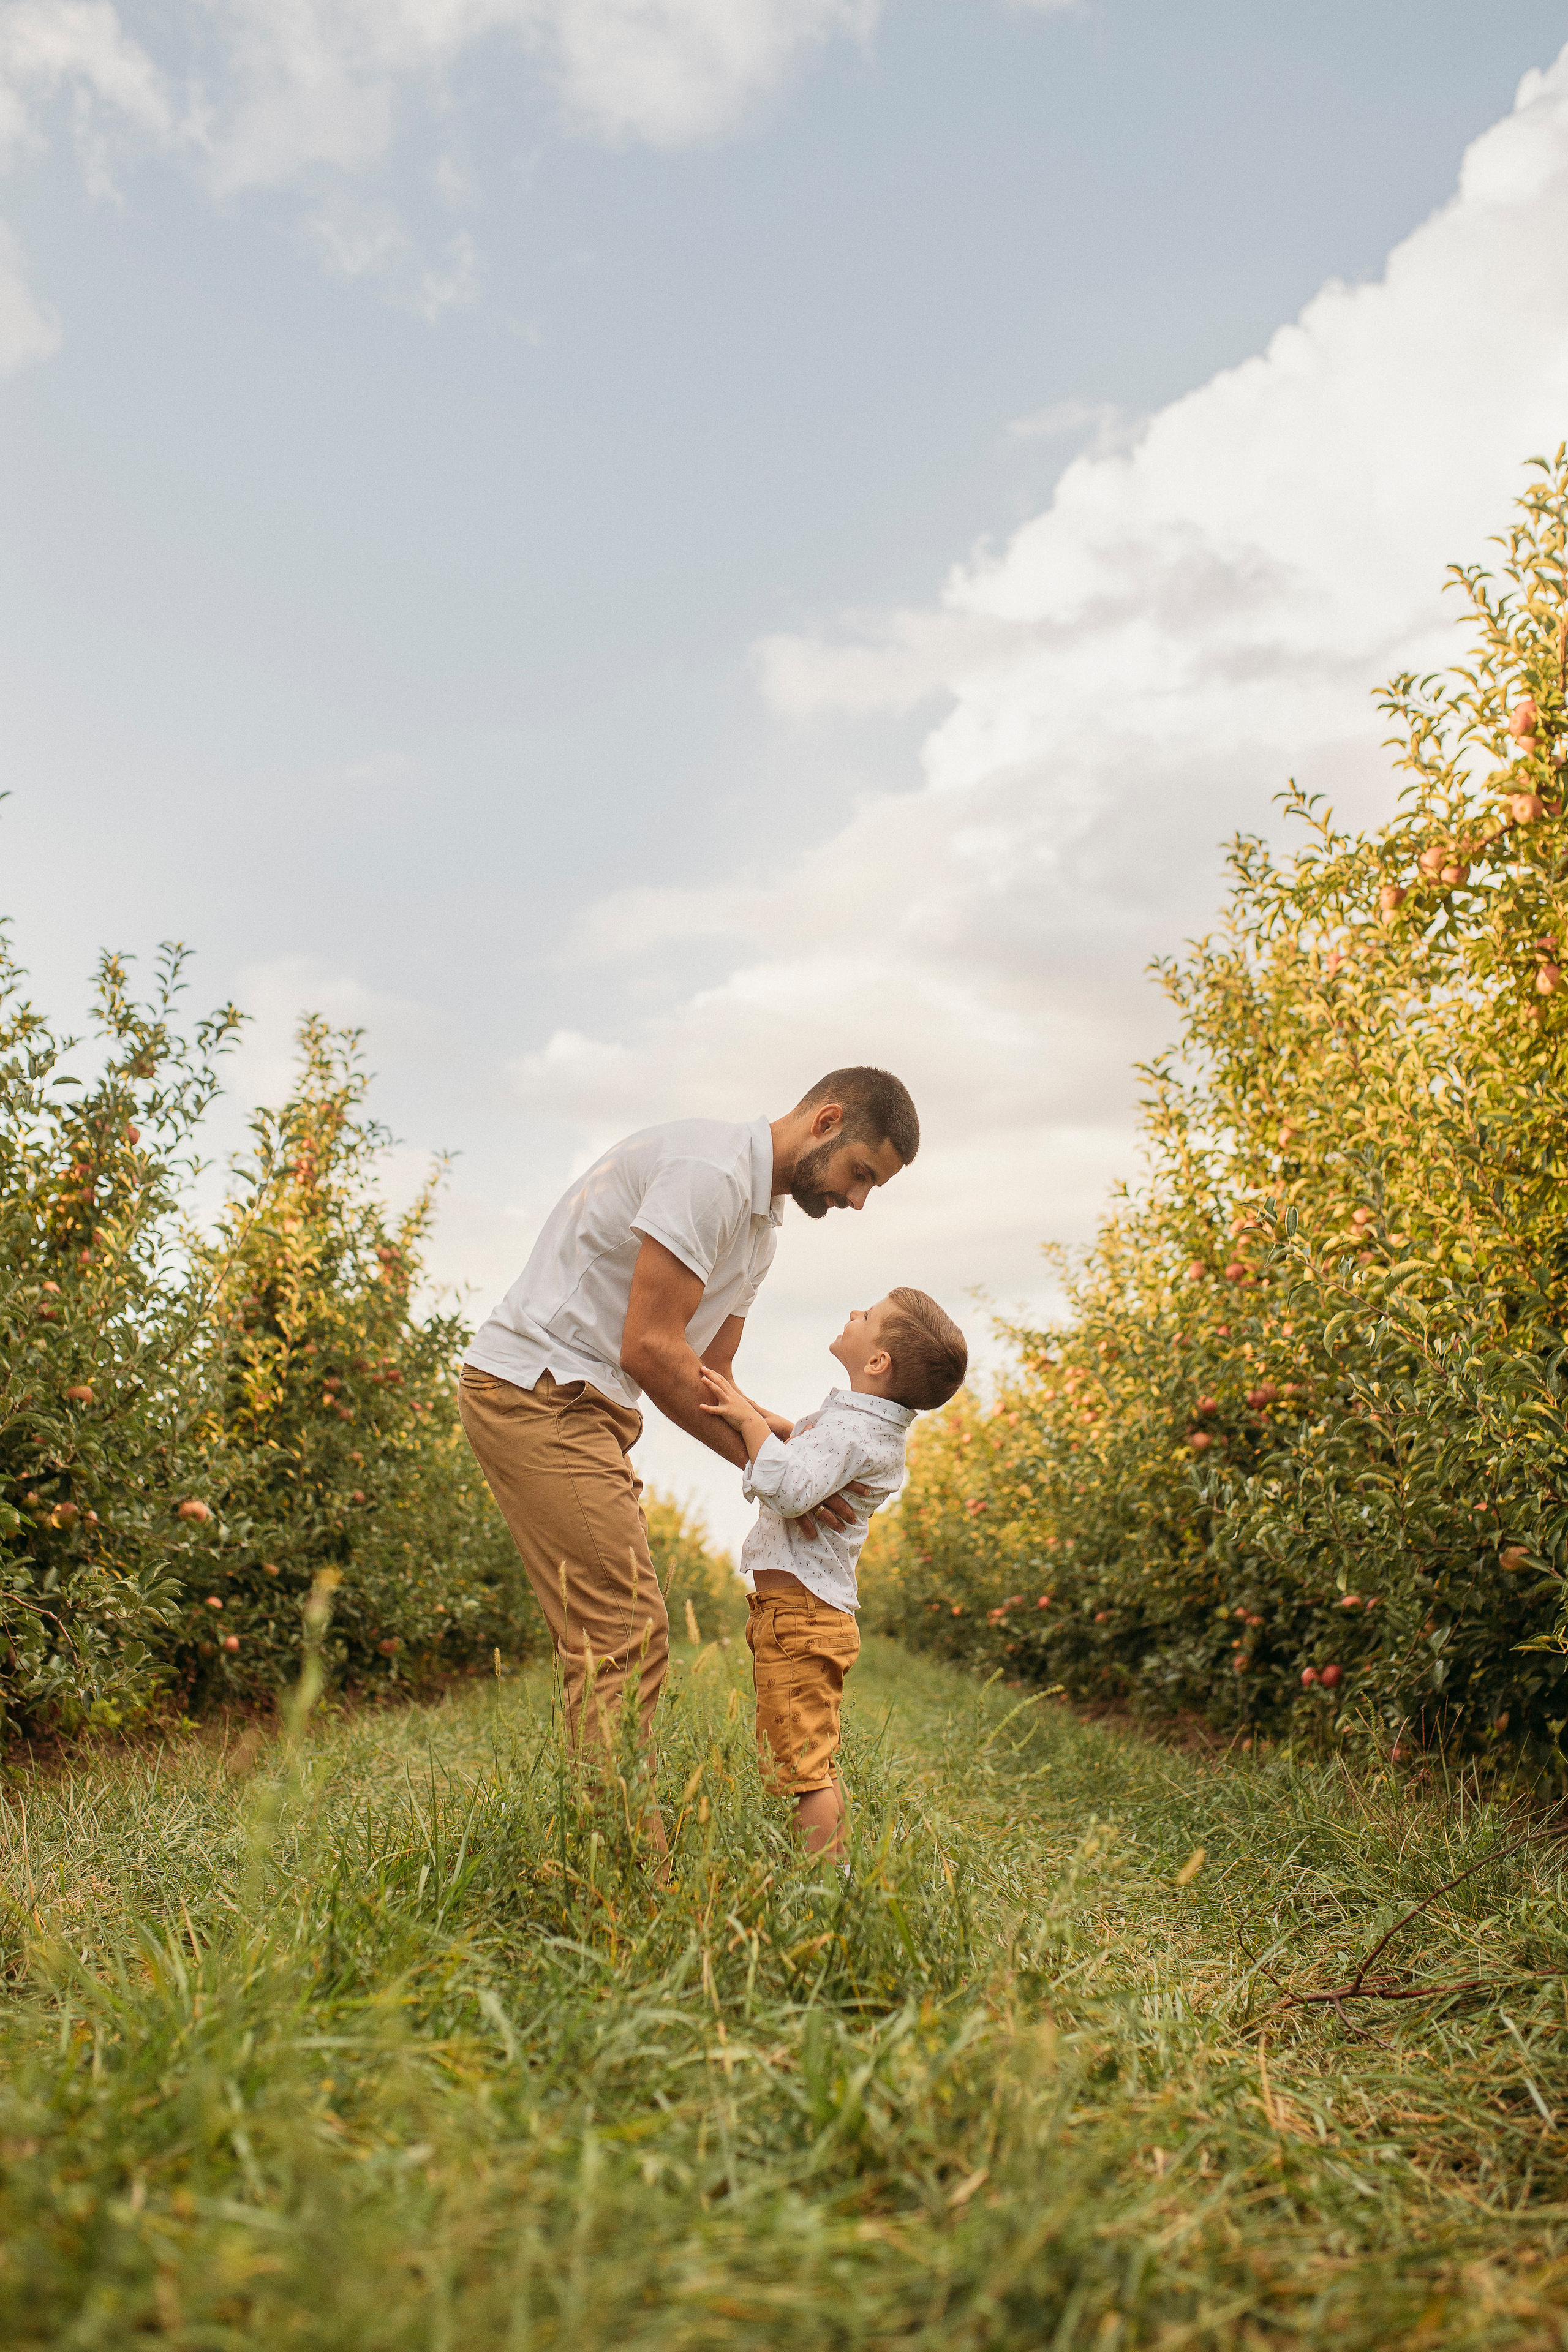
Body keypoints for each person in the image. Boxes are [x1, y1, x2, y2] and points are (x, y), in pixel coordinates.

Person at [455, 1068, 920, 1847]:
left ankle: (609, 1854)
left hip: (588, 1405)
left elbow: (712, 1378)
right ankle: (627, 1874)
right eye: (861, 1173)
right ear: (826, 1121)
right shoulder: (707, 1174)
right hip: (539, 1389)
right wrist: (781, 1473)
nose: (858, 1201)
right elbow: (649, 1349)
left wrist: (808, 1453)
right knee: (623, 1633)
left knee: (621, 1630)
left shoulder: (761, 1229)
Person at [698, 1286, 967, 1863]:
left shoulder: (854, 1433)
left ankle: (827, 1887)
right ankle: (827, 1874)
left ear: (878, 1362)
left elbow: (793, 1489)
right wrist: (769, 1424)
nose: (853, 1313)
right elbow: (808, 1451)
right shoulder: (860, 1428)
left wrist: (748, 1421)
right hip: (801, 1616)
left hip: (800, 1618)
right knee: (805, 1757)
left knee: (805, 1771)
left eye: (868, 1317)